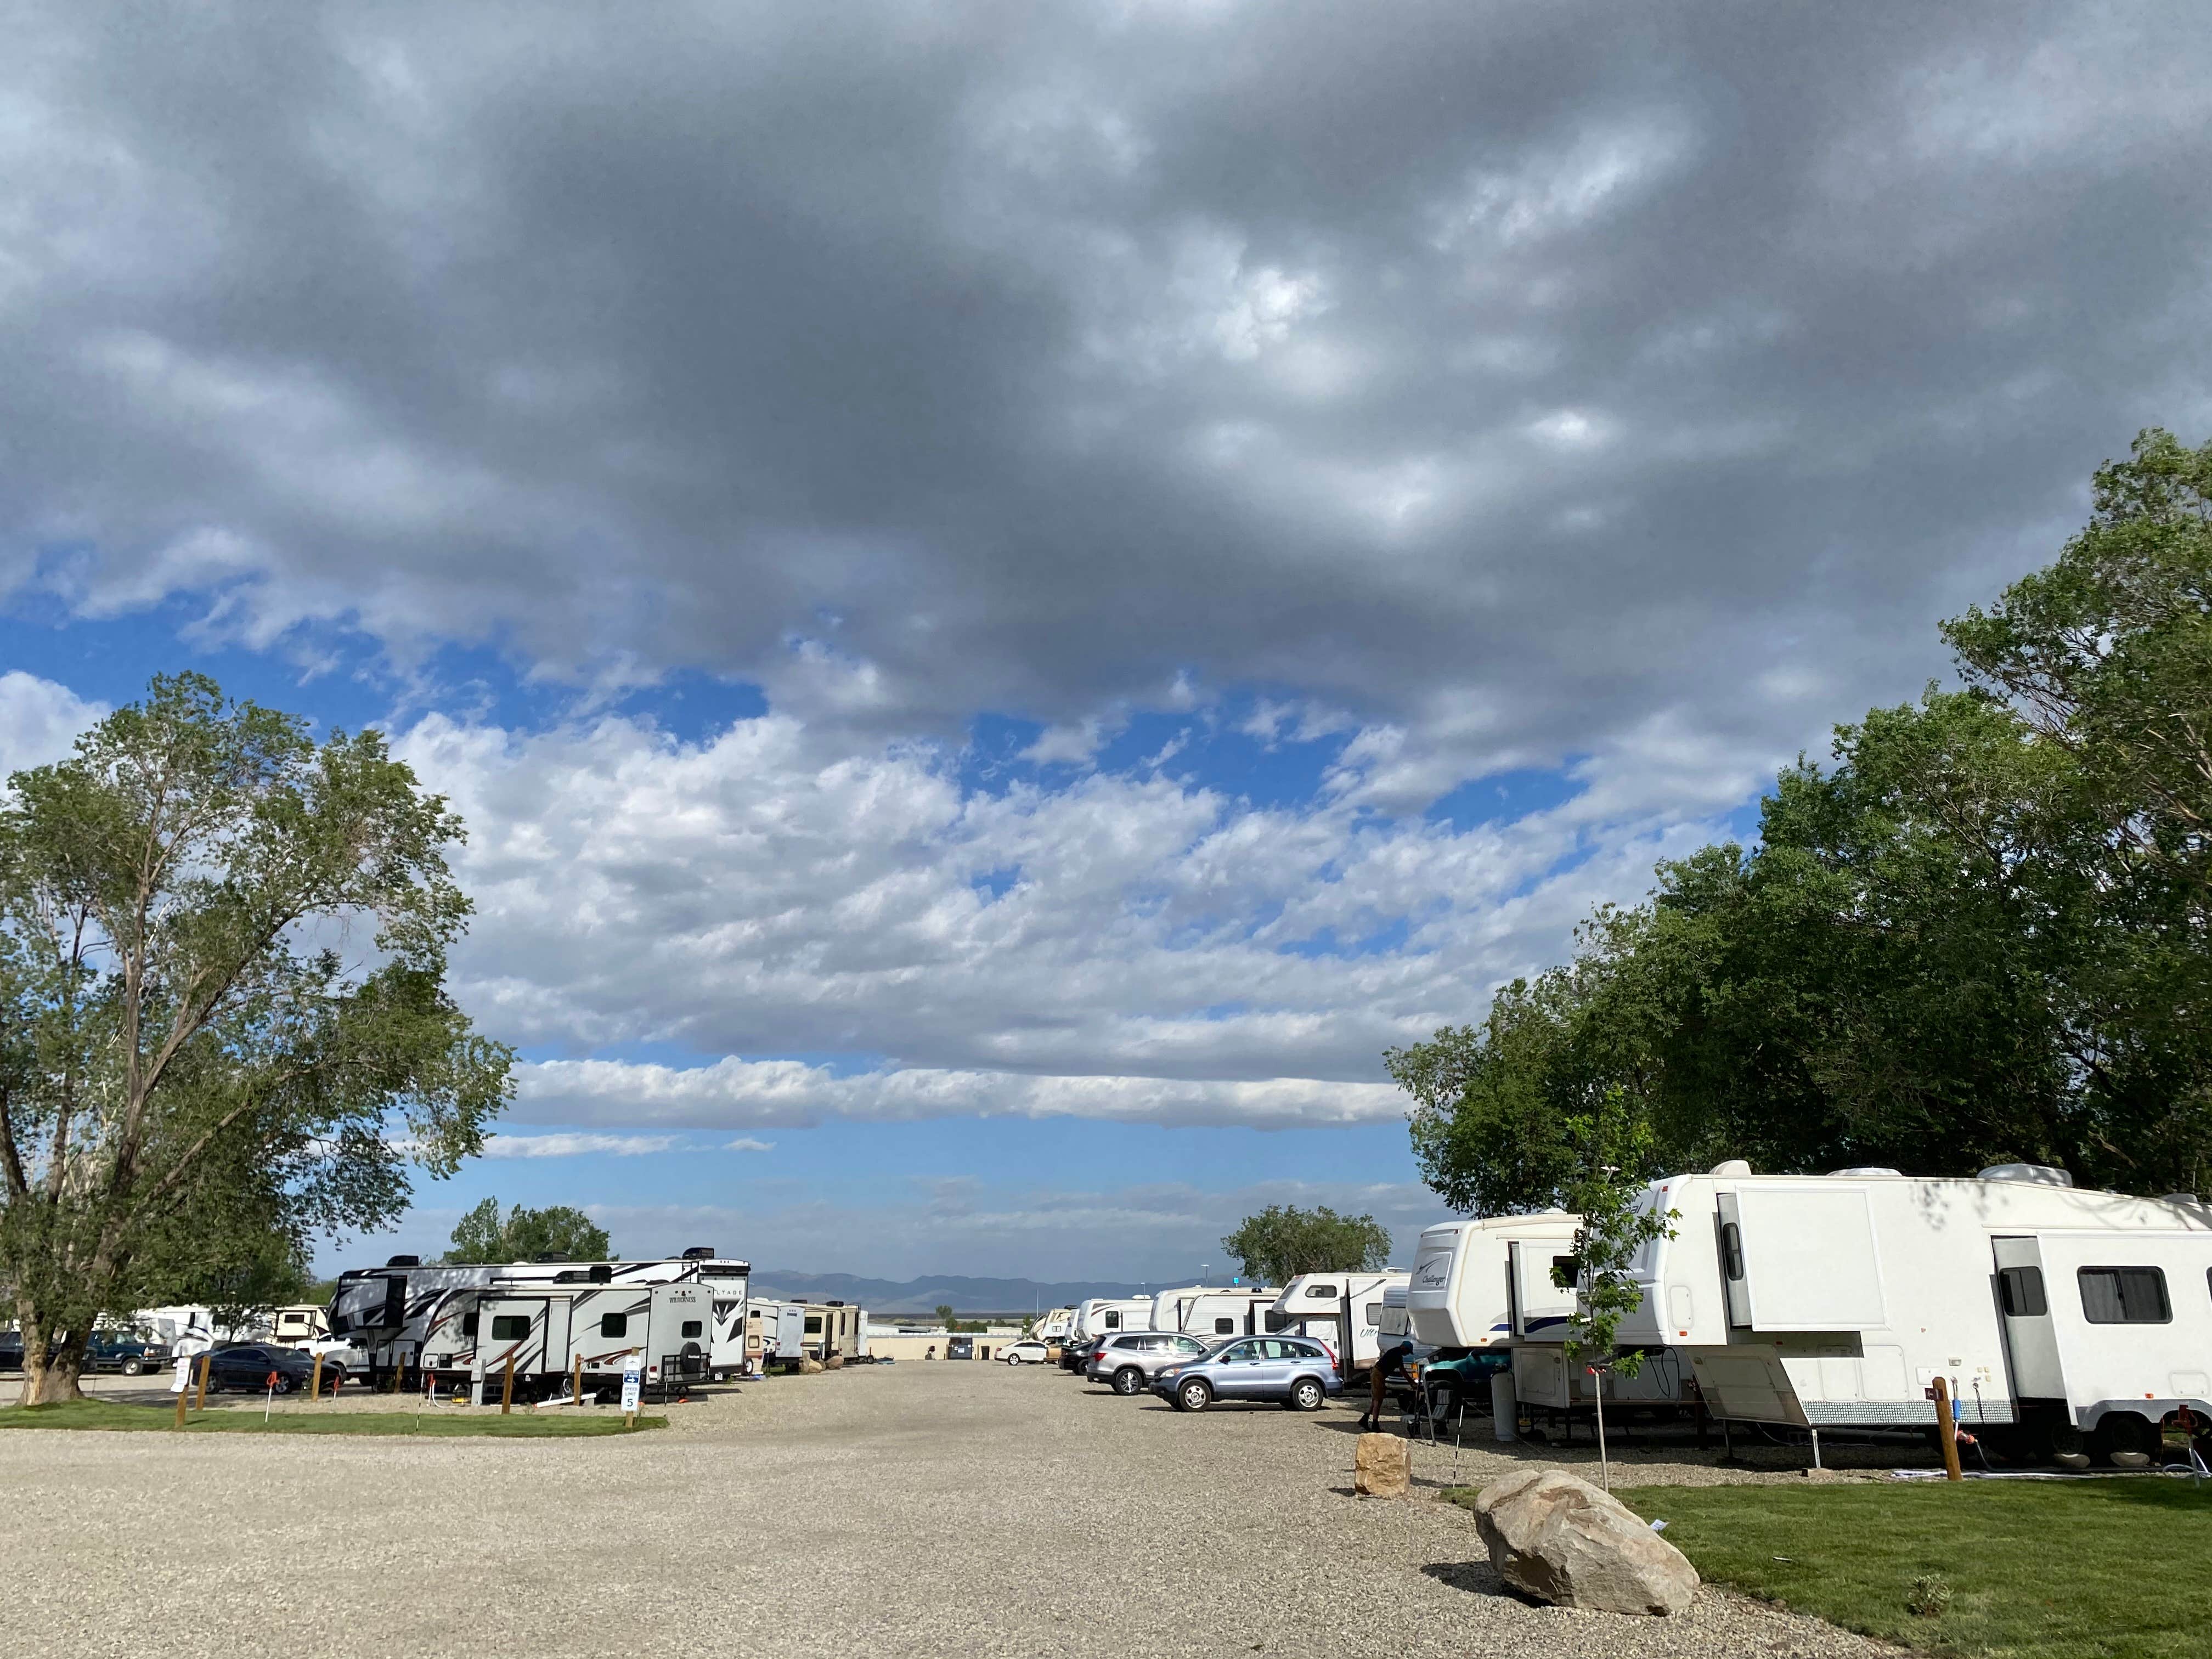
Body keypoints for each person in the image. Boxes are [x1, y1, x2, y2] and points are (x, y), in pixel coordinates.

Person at [1359, 1340, 1414, 1431]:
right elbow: (1403, 1371)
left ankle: (1365, 1419)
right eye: (1408, 1352)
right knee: (1378, 1400)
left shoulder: (1395, 1351)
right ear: (1405, 1348)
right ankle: (1375, 1424)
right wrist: (1411, 1382)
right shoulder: (1397, 1355)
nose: (1407, 1354)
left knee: (1376, 1398)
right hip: (1379, 1374)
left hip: (1377, 1373)